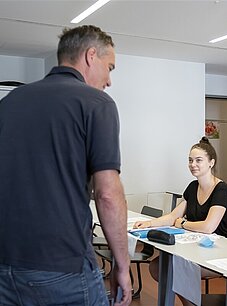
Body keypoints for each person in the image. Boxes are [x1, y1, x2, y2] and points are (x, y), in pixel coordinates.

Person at [0, 25, 131, 305]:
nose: (109, 80)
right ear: (90, 56)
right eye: (110, 67)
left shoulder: (9, 103)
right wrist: (122, 264)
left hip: (5, 265)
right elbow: (107, 194)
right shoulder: (97, 104)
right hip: (62, 267)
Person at [134, 137, 227, 305]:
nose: (193, 164)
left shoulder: (221, 189)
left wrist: (182, 224)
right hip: (197, 247)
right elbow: (173, 216)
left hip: (220, 252)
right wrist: (149, 223)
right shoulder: (192, 187)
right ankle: (191, 303)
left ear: (211, 163)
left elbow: (209, 227)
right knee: (157, 267)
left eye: (198, 160)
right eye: (190, 160)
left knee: (174, 268)